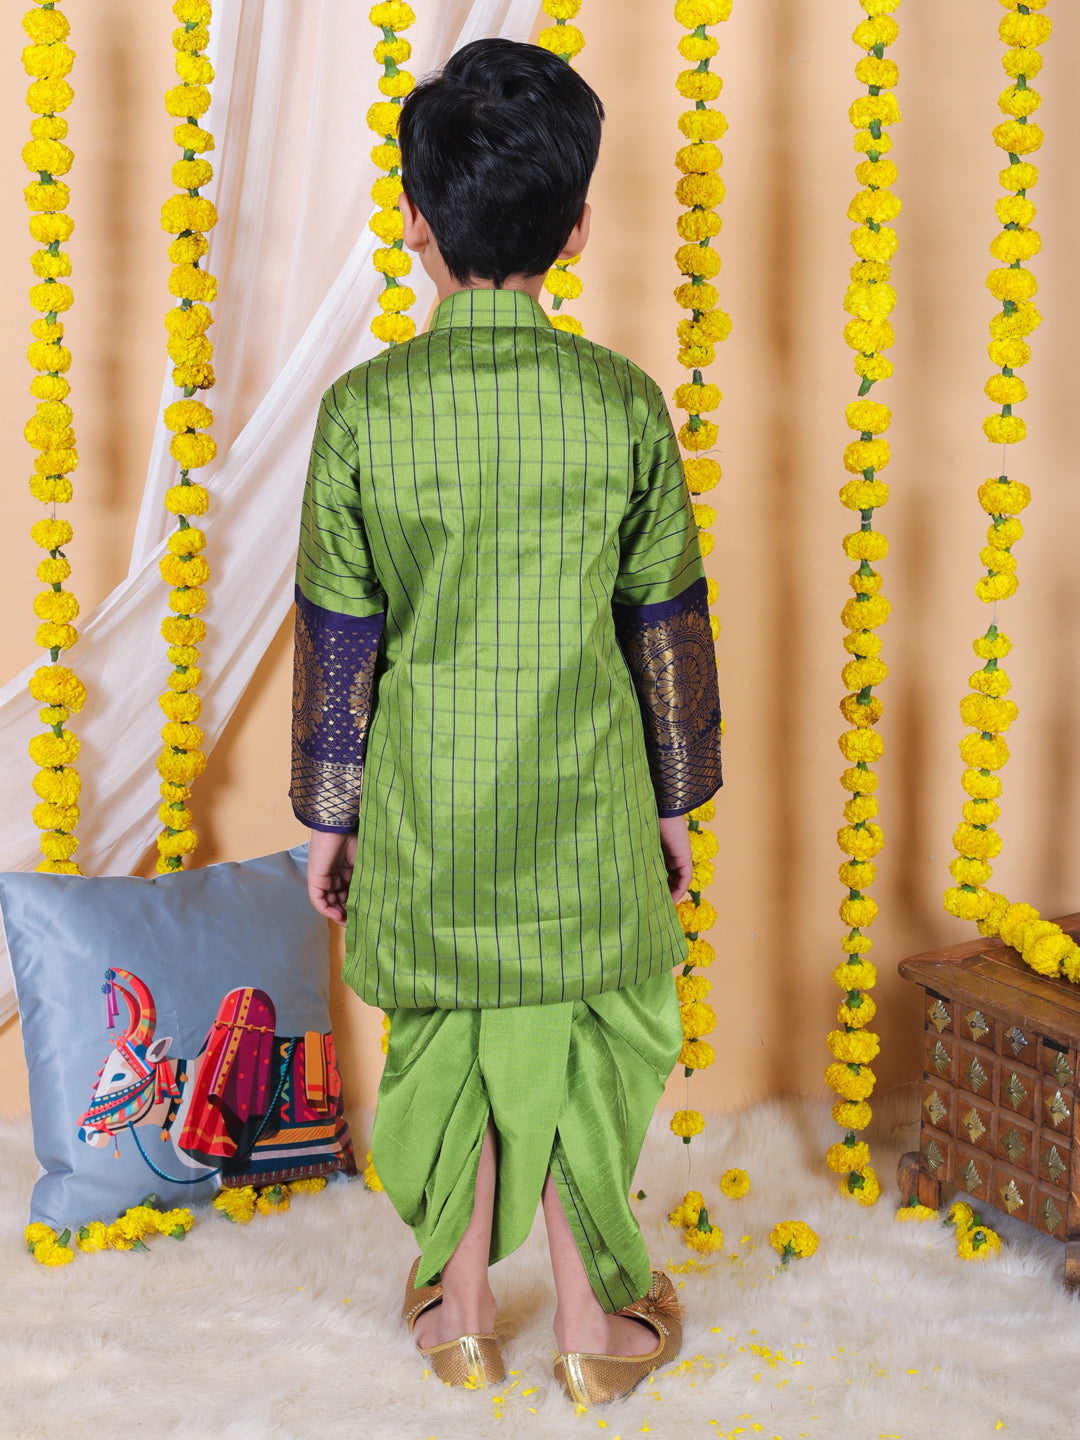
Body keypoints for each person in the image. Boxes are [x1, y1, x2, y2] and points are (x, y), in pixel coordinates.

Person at [289, 37, 722, 1406]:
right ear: (576, 228)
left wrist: (331, 818)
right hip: (589, 802)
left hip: (426, 805)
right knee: (592, 1031)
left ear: (414, 222)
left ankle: (463, 1311)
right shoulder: (623, 404)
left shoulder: (363, 414)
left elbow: (341, 633)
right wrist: (671, 801)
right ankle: (594, 1327)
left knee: (446, 1035)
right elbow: (665, 622)